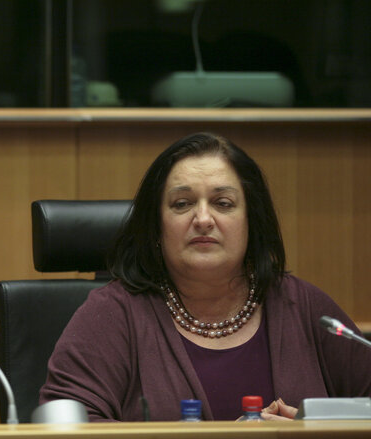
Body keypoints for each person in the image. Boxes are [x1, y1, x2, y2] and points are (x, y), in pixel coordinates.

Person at [40, 132, 371, 422]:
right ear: (157, 227)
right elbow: (65, 427)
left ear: (251, 222)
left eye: (223, 203)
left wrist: (307, 433)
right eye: (182, 204)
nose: (202, 219)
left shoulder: (307, 309)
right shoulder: (113, 315)